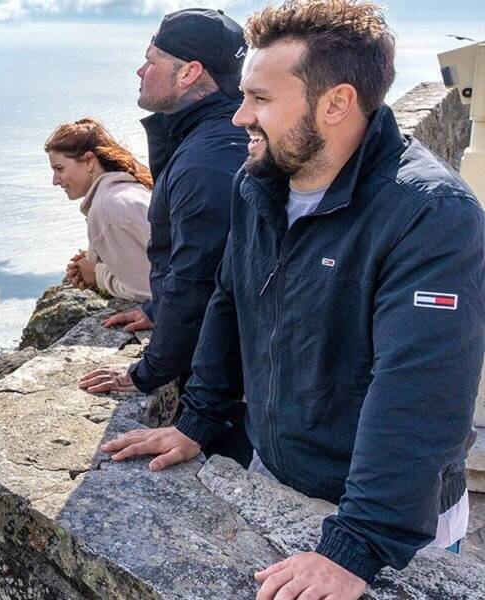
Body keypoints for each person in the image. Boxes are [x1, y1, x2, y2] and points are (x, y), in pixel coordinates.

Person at [101, 1, 484, 598]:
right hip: (273, 471)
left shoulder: (429, 214)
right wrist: (197, 422)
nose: (239, 117)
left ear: (336, 103)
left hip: (384, 523)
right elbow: (230, 301)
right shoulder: (258, 182)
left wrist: (355, 546)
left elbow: (422, 390)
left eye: (261, 99)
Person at [77, 7, 252, 465]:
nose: (140, 69)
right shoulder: (222, 138)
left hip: (232, 389)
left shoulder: (206, 162)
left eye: (151, 59)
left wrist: (146, 373)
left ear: (189, 73)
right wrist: (157, 307)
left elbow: (199, 280)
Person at [46, 118, 154, 303]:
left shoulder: (108, 208)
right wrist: (100, 262)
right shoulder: (132, 189)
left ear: (89, 161)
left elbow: (148, 291)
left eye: (59, 169)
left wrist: (98, 275)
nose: (55, 180)